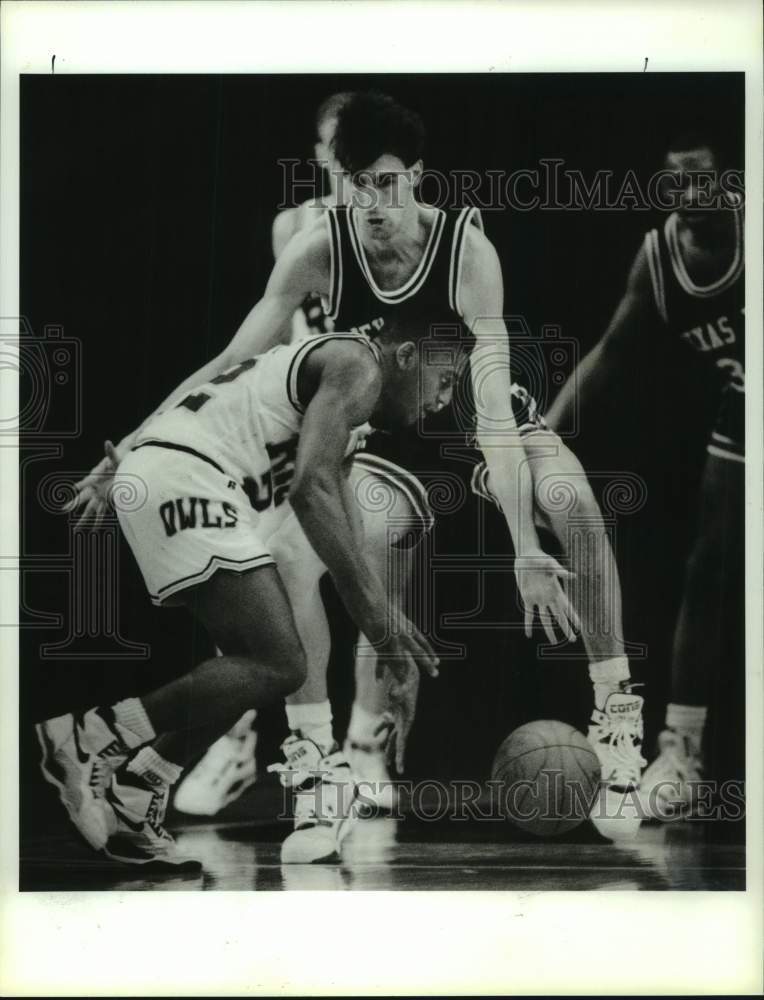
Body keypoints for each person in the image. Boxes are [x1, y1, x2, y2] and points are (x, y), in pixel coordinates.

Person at [69, 92, 645, 855]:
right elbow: (228, 360)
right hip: (387, 428)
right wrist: (139, 442)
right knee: (289, 553)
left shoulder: (468, 251)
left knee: (568, 496)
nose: (372, 202)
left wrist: (521, 546)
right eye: (356, 184)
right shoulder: (316, 249)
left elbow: (497, 414)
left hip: (472, 408)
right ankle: (315, 770)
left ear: (417, 177)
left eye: (386, 182)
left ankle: (617, 720)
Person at [40, 323, 451, 869]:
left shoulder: (346, 408)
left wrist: (386, 619)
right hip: (191, 477)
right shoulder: (361, 366)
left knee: (248, 668)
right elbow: (311, 489)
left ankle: (138, 792)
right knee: (279, 662)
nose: (442, 402)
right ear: (407, 356)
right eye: (444, 381)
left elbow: (339, 514)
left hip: (166, 475)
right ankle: (89, 735)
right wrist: (379, 625)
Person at [547, 132, 744, 814]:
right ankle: (682, 748)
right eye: (675, 181)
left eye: (702, 179)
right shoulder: (660, 256)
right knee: (707, 565)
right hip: (744, 404)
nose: (688, 195)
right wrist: (541, 436)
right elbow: (612, 353)